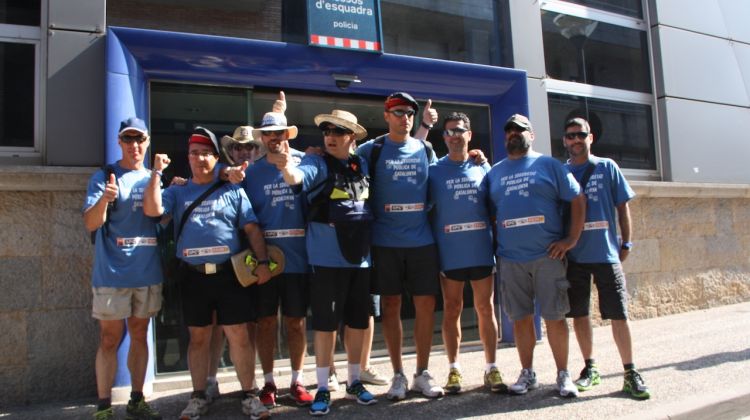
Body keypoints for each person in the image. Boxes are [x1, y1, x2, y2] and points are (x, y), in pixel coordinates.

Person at [143, 127, 269, 420]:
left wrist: (263, 263)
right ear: (187, 158)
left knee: (238, 335)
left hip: (229, 275)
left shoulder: (233, 189)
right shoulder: (177, 190)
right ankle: (199, 396)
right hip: (193, 276)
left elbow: (251, 228)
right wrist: (155, 175)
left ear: (216, 159)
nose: (200, 158)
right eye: (194, 153)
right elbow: (154, 213)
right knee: (198, 338)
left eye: (206, 153)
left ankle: (250, 396)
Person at [274, 109, 378, 416]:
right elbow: (297, 178)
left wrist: (424, 127)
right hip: (325, 260)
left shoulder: (363, 163)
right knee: (325, 325)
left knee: (358, 323)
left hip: (360, 259)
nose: (330, 137)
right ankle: (321, 387)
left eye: (338, 132)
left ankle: (355, 381)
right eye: (327, 132)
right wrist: (285, 166)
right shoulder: (315, 162)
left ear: (352, 137)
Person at [485, 114, 586, 398]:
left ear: (532, 134)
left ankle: (563, 375)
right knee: (521, 318)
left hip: (547, 257)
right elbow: (492, 212)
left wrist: (571, 239)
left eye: (520, 130)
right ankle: (527, 373)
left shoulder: (549, 165)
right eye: (509, 131)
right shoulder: (495, 172)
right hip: (511, 259)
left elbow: (578, 199)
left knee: (555, 317)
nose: (513, 134)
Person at [355, 92, 445, 400]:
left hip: (421, 241)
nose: (403, 117)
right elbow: (344, 170)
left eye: (409, 113)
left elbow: (439, 183)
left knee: (425, 306)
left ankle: (422, 373)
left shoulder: (425, 148)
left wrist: (476, 158)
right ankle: (398, 374)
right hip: (384, 242)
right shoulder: (372, 150)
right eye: (397, 112)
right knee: (390, 306)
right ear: (386, 115)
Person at [227, 111, 314, 409]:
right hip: (263, 259)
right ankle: (268, 382)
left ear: (287, 135)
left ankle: (297, 380)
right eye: (268, 134)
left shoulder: (305, 162)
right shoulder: (250, 172)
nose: (274, 138)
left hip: (299, 258)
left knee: (296, 322)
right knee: (265, 323)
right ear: (261, 138)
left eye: (279, 133)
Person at [561, 117, 650, 399]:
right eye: (570, 135)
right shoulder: (561, 172)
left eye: (581, 134)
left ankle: (630, 372)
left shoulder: (607, 166)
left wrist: (628, 242)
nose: (576, 139)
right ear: (564, 140)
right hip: (575, 258)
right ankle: (590, 368)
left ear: (591, 138)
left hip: (606, 254)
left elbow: (622, 207)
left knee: (618, 314)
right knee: (579, 314)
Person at [84, 117, 163, 420]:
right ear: (119, 142)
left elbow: (158, 214)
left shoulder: (153, 177)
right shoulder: (104, 176)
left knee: (140, 334)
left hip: (147, 272)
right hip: (112, 275)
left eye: (139, 139)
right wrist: (105, 198)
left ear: (147, 142)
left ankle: (137, 398)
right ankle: (104, 406)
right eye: (128, 140)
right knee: (109, 338)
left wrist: (161, 176)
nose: (134, 146)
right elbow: (91, 223)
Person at [428, 112, 506, 394]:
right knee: (452, 309)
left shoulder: (483, 168)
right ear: (444, 137)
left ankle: (491, 367)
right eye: (448, 132)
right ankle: (453, 370)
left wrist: (484, 161)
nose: (454, 135)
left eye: (459, 130)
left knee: (486, 308)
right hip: (451, 253)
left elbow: (498, 205)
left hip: (481, 251)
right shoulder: (435, 170)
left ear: (469, 135)